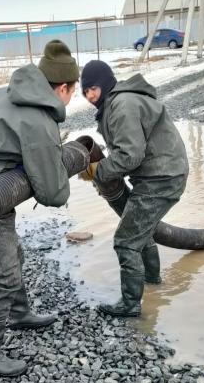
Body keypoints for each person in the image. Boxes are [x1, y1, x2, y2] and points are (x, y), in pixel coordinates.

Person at [0, 40, 79, 377]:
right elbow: (53, 193)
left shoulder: (1, 93)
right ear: (63, 87)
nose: (71, 98)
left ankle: (19, 315)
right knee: (3, 277)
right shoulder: (38, 120)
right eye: (72, 91)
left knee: (12, 257)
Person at [80, 60, 189, 317]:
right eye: (85, 92)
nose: (90, 96)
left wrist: (98, 171)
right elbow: (129, 148)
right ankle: (152, 282)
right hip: (161, 173)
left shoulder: (122, 105)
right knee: (141, 233)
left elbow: (129, 156)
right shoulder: (119, 102)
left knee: (126, 241)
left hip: (161, 178)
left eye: (93, 88)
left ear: (105, 82)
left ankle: (130, 305)